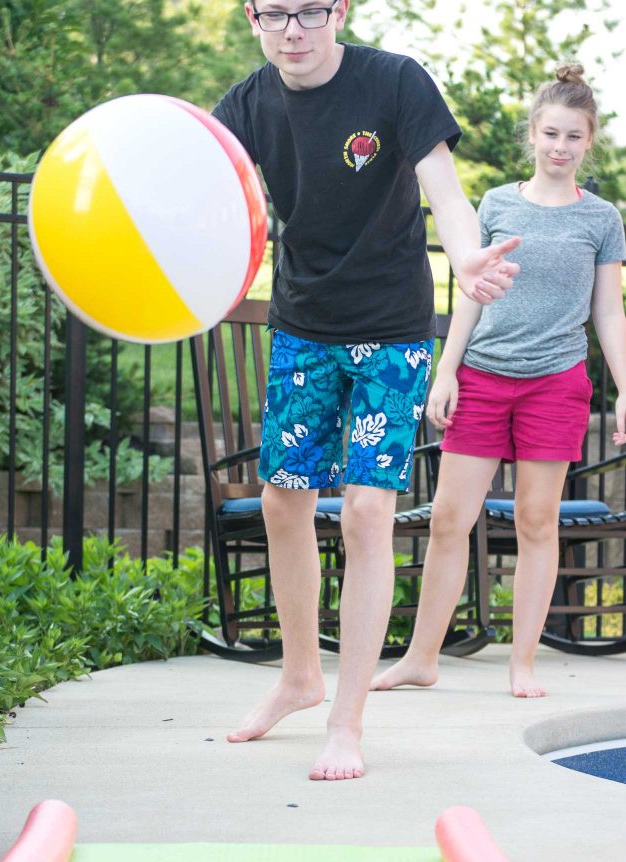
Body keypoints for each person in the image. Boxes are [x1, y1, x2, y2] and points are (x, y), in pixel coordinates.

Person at [212, 0, 520, 780]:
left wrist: (468, 258)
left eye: (310, 10)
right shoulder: (245, 106)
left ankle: (347, 721)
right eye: (273, 13)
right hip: (302, 325)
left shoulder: (394, 83)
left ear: (339, 10)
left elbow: (445, 193)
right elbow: (206, 199)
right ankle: (298, 678)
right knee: (282, 495)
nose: (293, 30)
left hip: (389, 327)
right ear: (252, 17)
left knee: (365, 508)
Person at [372, 64, 626, 701]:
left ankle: (523, 665)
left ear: (588, 141)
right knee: (450, 519)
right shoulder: (496, 204)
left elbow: (609, 311)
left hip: (555, 383)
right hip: (483, 376)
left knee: (538, 522)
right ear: (532, 135)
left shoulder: (602, 219)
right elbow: (471, 295)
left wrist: (625, 387)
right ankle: (421, 658)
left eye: (573, 137)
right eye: (550, 134)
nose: (560, 147)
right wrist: (446, 372)